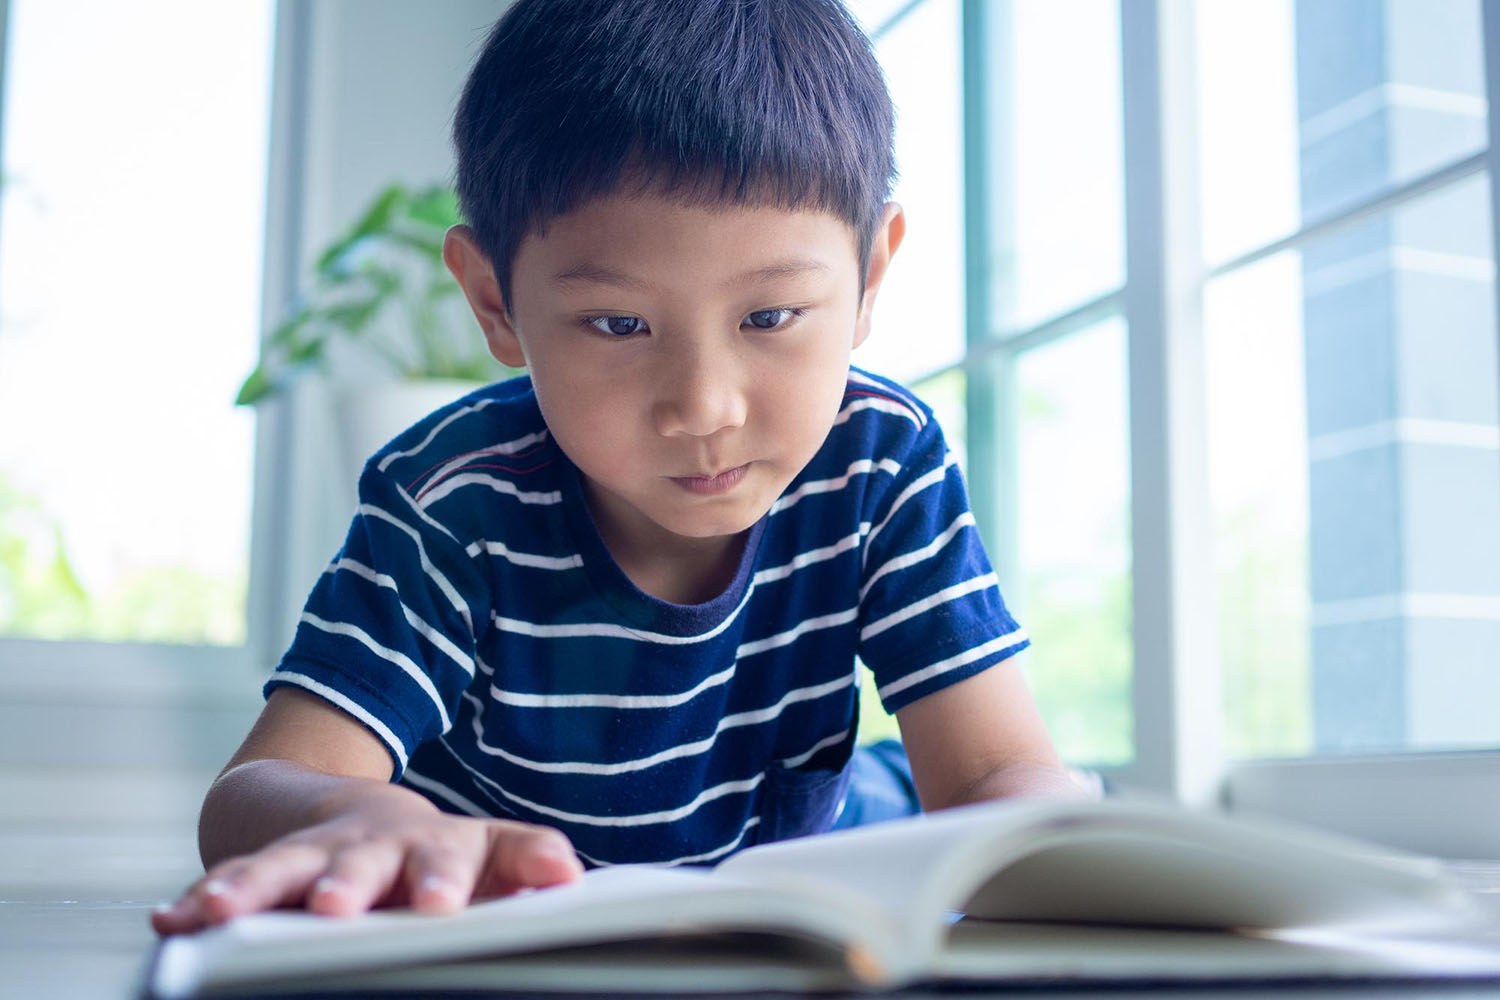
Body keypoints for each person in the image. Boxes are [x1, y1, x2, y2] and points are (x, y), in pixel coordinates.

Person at [153, 0, 1084, 936]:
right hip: (535, 919)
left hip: (791, 868)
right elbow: (250, 793)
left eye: (770, 318)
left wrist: (1056, 838)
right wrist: (355, 814)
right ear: (496, 302)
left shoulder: (882, 461)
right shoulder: (453, 497)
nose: (704, 407)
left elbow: (990, 774)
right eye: (619, 325)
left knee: (926, 808)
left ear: (869, 281)